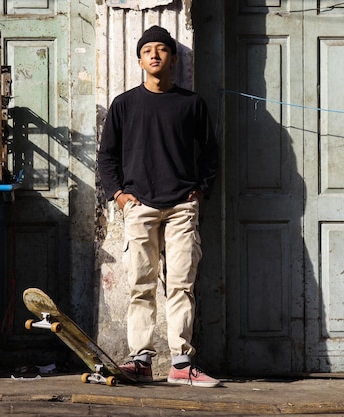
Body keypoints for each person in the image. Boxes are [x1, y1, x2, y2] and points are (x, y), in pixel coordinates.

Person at [97, 25, 220, 388]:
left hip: (182, 207)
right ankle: (141, 361)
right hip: (140, 206)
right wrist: (119, 196)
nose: (154, 55)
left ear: (173, 57)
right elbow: (107, 157)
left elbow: (211, 153)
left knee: (181, 285)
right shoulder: (125, 104)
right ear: (139, 60)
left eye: (162, 49)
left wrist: (201, 190)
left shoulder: (191, 103)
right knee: (141, 284)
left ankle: (181, 365)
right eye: (147, 50)